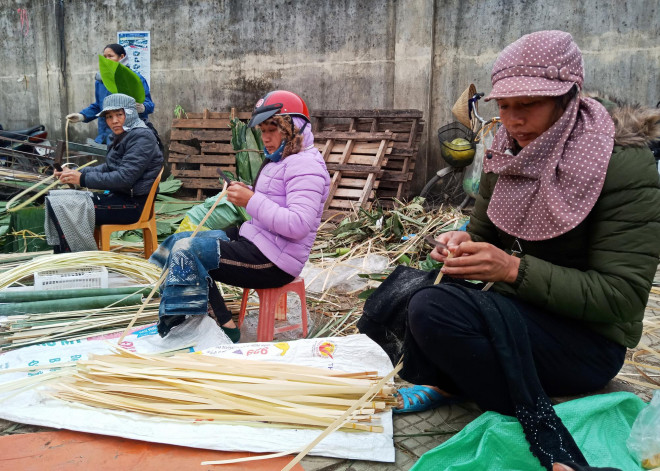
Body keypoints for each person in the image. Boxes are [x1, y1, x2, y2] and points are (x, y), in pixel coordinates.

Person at [359, 31, 660, 470]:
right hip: (519, 309)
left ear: (568, 99)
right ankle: (463, 380)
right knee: (409, 292)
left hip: (587, 340)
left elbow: (621, 296)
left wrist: (512, 269)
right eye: (503, 106)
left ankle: (528, 405)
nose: (513, 120)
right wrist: (460, 246)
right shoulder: (509, 151)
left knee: (433, 310)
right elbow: (484, 235)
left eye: (528, 105)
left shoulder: (619, 166)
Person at [150, 90, 330, 343]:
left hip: (276, 260)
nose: (265, 138)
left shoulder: (306, 167)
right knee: (179, 240)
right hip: (259, 239)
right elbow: (276, 199)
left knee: (188, 250)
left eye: (273, 130)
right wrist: (249, 192)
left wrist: (252, 201)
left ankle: (224, 327)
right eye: (263, 131)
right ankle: (190, 312)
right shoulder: (282, 158)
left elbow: (298, 224)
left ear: (294, 129)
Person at [47, 93, 163, 252]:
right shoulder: (123, 135)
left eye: (119, 114)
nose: (114, 121)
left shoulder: (141, 137)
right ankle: (68, 257)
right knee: (54, 199)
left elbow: (123, 178)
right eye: (109, 116)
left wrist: (82, 179)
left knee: (64, 205)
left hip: (132, 205)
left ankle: (76, 259)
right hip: (117, 197)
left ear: (130, 113)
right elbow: (109, 167)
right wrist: (75, 172)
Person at [66, 43, 155, 146]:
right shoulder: (101, 81)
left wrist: (142, 107)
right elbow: (100, 106)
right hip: (107, 135)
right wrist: (82, 116)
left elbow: (150, 105)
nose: (106, 59)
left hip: (129, 135)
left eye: (110, 56)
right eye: (105, 57)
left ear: (121, 57)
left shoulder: (134, 79)